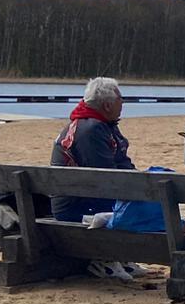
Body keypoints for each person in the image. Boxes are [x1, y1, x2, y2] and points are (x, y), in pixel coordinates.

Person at [49, 76, 135, 222]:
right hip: (77, 209)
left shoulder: (102, 124)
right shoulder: (91, 130)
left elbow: (121, 164)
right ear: (107, 106)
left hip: (87, 198)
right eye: (120, 99)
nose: (123, 103)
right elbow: (106, 177)